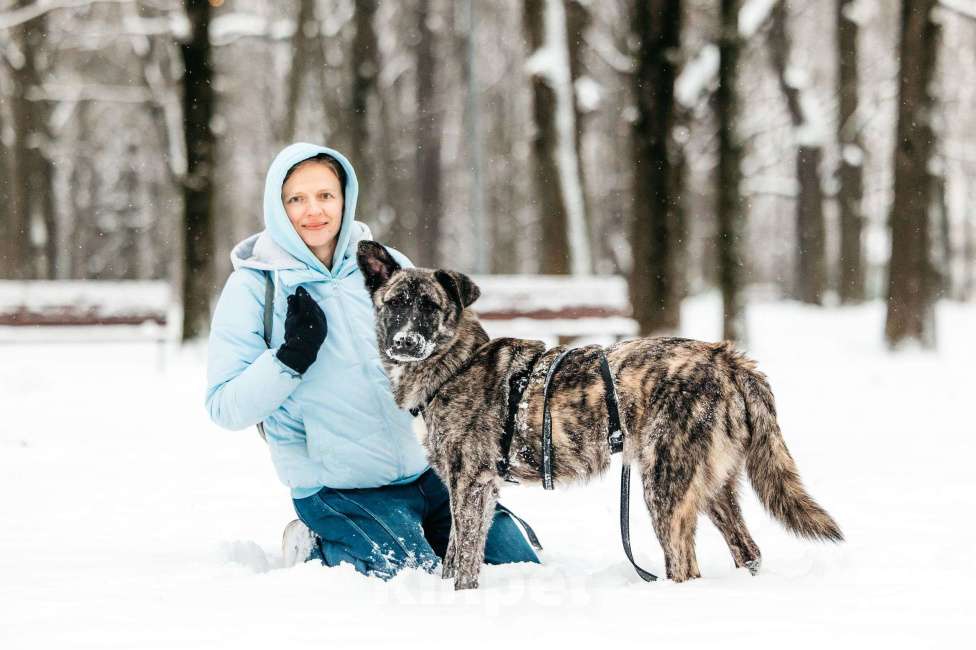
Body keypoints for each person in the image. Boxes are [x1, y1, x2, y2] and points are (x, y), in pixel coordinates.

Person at [205, 142, 539, 579]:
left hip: (427, 471)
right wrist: (290, 357)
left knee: (517, 566)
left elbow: (447, 351)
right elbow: (224, 407)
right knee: (411, 576)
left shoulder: (387, 265)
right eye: (296, 199)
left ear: (345, 198)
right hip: (340, 487)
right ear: (277, 205)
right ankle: (317, 546)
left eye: (326, 195)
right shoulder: (254, 288)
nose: (313, 211)